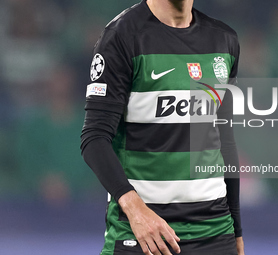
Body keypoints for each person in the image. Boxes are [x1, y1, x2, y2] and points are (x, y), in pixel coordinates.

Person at [81, 0, 245, 254]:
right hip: (143, 234)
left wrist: (236, 230)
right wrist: (136, 210)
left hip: (215, 233)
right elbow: (94, 139)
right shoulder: (122, 36)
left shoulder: (224, 39)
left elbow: (225, 140)